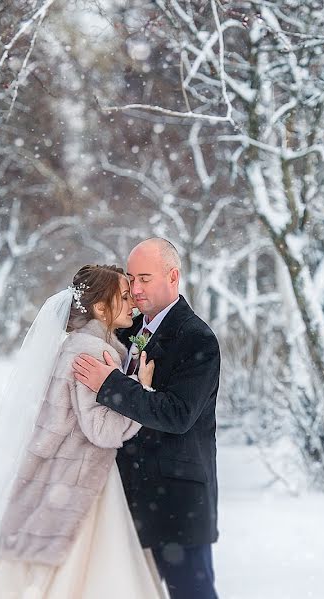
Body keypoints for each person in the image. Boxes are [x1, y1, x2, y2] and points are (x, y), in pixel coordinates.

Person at [0, 264, 167, 599]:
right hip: (81, 480)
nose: (133, 302)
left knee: (48, 575)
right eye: (125, 295)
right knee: (93, 572)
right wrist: (140, 391)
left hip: (64, 477)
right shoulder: (92, 352)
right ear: (101, 308)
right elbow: (101, 430)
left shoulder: (78, 345)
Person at [73, 238, 221, 599]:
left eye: (145, 278)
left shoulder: (196, 338)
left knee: (192, 593)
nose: (135, 290)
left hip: (178, 501)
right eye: (131, 279)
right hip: (129, 496)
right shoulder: (127, 330)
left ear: (173, 276)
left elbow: (178, 414)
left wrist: (113, 386)